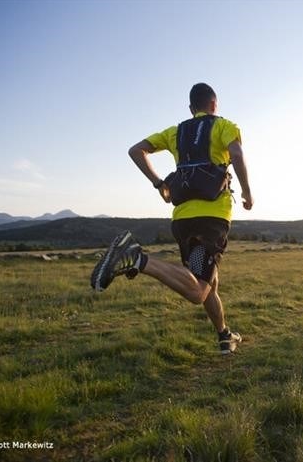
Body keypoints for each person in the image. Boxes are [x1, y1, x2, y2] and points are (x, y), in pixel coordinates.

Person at [90, 83, 253, 355]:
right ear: (215, 105)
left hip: (182, 220)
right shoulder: (225, 126)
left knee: (209, 282)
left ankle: (225, 335)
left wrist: (158, 184)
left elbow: (136, 150)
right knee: (198, 290)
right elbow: (236, 154)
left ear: (191, 109)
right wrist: (247, 193)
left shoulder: (176, 132)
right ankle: (137, 258)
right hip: (211, 220)